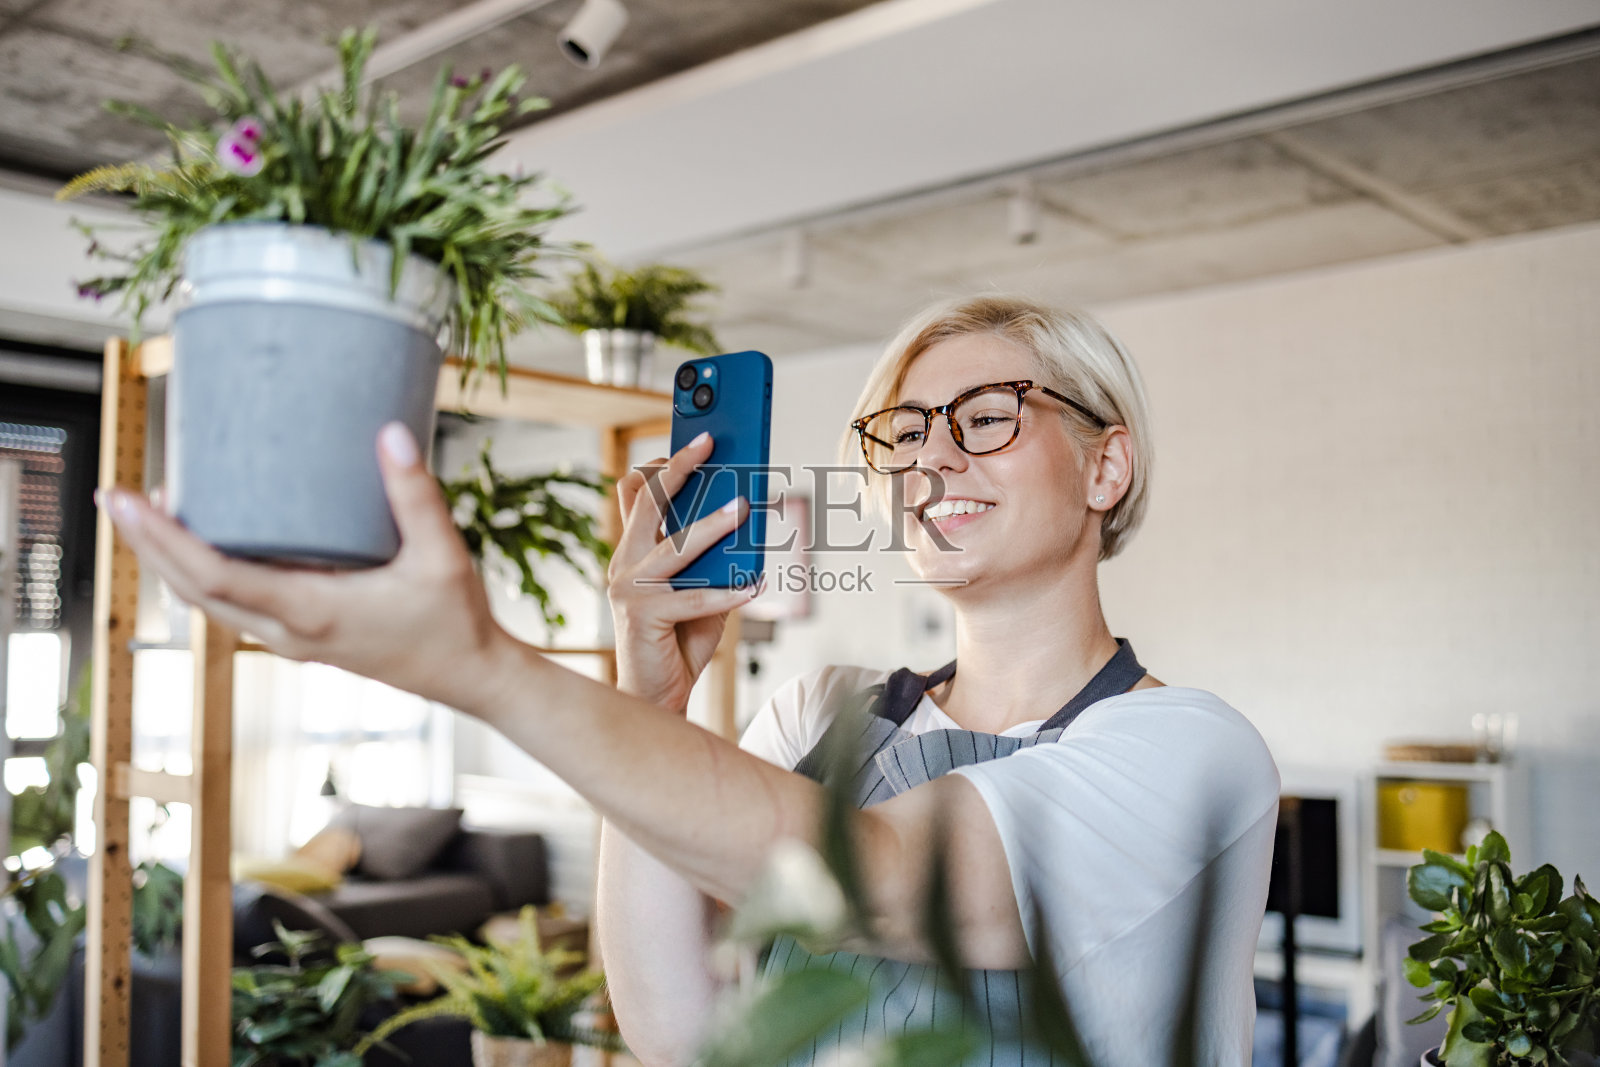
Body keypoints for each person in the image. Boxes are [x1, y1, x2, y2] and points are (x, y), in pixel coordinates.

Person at [102, 294, 1279, 1066]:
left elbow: (893, 881)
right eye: (905, 429)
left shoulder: (1190, 750)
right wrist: (646, 699)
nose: (931, 456)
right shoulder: (829, 711)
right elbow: (677, 1027)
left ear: (1106, 462)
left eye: (983, 417)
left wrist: (485, 668)